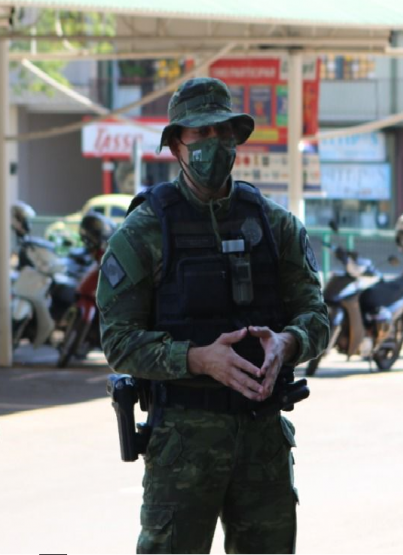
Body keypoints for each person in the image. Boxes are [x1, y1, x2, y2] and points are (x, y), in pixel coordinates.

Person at [96, 77, 329, 553]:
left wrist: (288, 344)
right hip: (183, 444)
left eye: (222, 133)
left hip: (262, 439)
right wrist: (197, 358)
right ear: (176, 145)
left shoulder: (274, 223)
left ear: (236, 140)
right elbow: (118, 341)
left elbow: (317, 317)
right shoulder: (145, 231)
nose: (212, 145)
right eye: (199, 136)